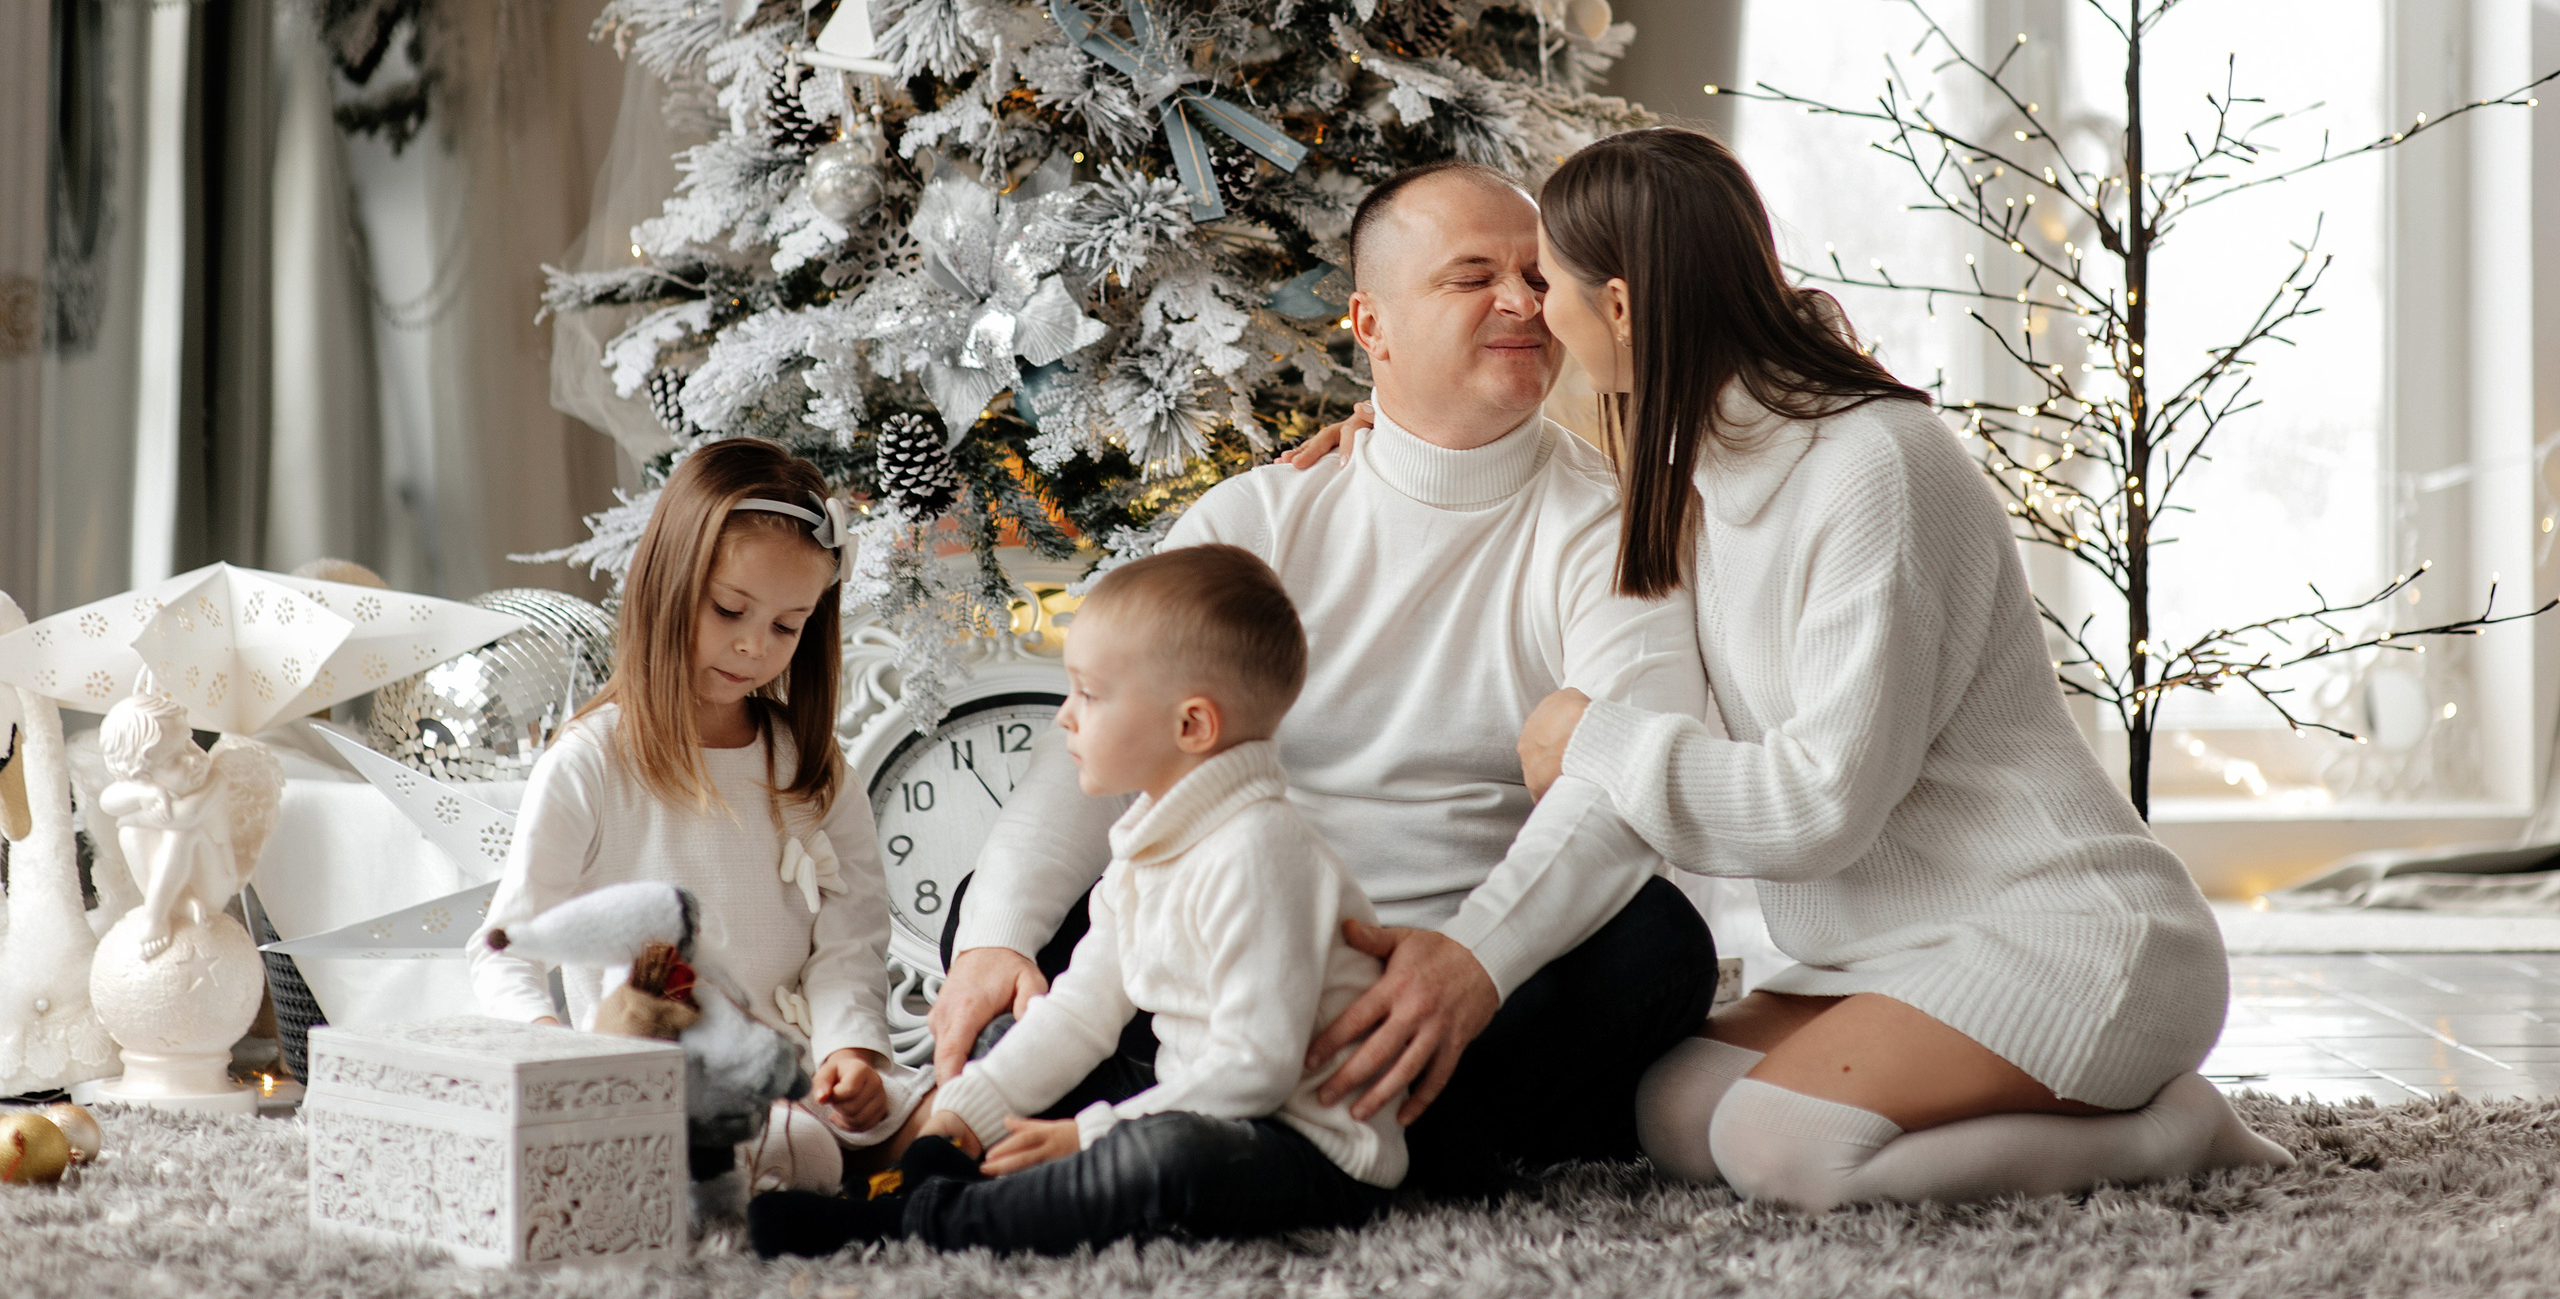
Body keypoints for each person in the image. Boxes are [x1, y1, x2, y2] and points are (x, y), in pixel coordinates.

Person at [1501, 126, 2293, 1207]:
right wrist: (1375, 442)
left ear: (1623, 309)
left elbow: (1821, 806)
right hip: (1888, 949)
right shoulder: (1702, 474)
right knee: (1676, 1110)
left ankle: (2168, 1135)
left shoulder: (1871, 465)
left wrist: (1590, 735)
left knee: (1786, 1150)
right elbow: (1536, 494)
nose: (1533, 312)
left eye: (1545, 285)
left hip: (2067, 938)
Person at [932, 162, 1717, 1193]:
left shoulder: (1614, 523)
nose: (1524, 302)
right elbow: (1104, 735)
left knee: (1660, 948)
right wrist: (993, 941)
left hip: (1444, 979)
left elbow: (1623, 790)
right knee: (993, 914)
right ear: (1371, 325)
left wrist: (1473, 963)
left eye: (1537, 275)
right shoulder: (1262, 515)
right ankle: (1274, 1128)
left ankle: (1243, 1126)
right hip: (1235, 950)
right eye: (1471, 275)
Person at [750, 545, 1402, 1257]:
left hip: (1302, 1142)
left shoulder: (1261, 852)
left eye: (1089, 694)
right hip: (1187, 1092)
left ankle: (919, 1225)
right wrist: (965, 1113)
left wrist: (1086, 1137)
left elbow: (1257, 1069)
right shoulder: (1147, 846)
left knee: (1163, 1157)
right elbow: (1082, 1013)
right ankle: (930, 1174)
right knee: (1014, 1040)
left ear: (1191, 727)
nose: (1064, 717)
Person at [469, 437, 933, 1199]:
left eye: (788, 626)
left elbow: (849, 942)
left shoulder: (812, 767)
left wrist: (855, 1051)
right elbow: (503, 950)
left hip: (801, 1074)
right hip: (664, 1086)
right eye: (729, 609)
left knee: (969, 1118)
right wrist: (563, 1059)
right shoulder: (591, 762)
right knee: (782, 1153)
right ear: (669, 583)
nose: (755, 645)